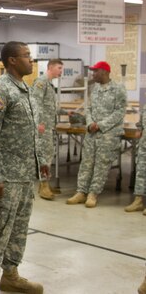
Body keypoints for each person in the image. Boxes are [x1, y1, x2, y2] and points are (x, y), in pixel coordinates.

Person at [0, 41, 48, 294]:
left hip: (25, 177)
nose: (32, 60)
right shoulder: (0, 89)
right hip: (5, 178)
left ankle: (11, 276)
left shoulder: (25, 90)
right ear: (12, 60)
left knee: (17, 231)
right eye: (27, 56)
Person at [66, 61, 127, 208]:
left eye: (95, 71)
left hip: (108, 134)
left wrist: (100, 125)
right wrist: (90, 124)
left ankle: (93, 194)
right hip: (92, 133)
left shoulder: (118, 89)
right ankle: (81, 192)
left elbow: (120, 111)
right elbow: (90, 109)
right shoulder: (96, 89)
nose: (93, 74)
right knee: (86, 163)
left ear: (105, 72)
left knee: (101, 165)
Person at [32, 59, 64, 200]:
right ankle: (43, 186)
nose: (61, 71)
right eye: (59, 68)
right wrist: (38, 123)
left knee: (48, 155)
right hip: (43, 127)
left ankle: (45, 185)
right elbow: (36, 103)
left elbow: (49, 106)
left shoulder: (50, 84)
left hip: (49, 126)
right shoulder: (41, 82)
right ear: (50, 67)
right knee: (44, 156)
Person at [124, 104, 146, 215]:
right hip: (144, 143)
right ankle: (138, 201)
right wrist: (139, 128)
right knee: (140, 173)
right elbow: (143, 117)